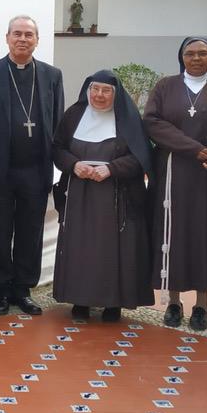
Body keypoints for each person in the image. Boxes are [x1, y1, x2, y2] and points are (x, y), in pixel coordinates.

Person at [143, 37, 207, 331]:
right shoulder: (165, 86)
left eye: (203, 53)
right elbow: (153, 122)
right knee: (173, 233)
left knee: (205, 234)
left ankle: (201, 305)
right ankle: (173, 302)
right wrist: (195, 149)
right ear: (181, 57)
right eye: (190, 53)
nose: (196, 58)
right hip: (173, 172)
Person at [0, 15, 64, 316]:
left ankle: (23, 289)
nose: (22, 39)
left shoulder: (52, 75)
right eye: (17, 34)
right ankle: (0, 291)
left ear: (37, 40)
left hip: (35, 169)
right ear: (7, 38)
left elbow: (57, 122)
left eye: (28, 34)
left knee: (30, 232)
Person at [52, 70, 153, 322]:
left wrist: (111, 169)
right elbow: (57, 148)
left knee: (112, 248)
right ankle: (80, 300)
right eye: (95, 89)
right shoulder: (74, 115)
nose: (99, 95)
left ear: (115, 95)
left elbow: (140, 156)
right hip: (79, 193)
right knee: (80, 246)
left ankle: (113, 303)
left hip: (116, 195)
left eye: (106, 90)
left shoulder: (128, 119)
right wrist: (74, 165)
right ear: (87, 91)